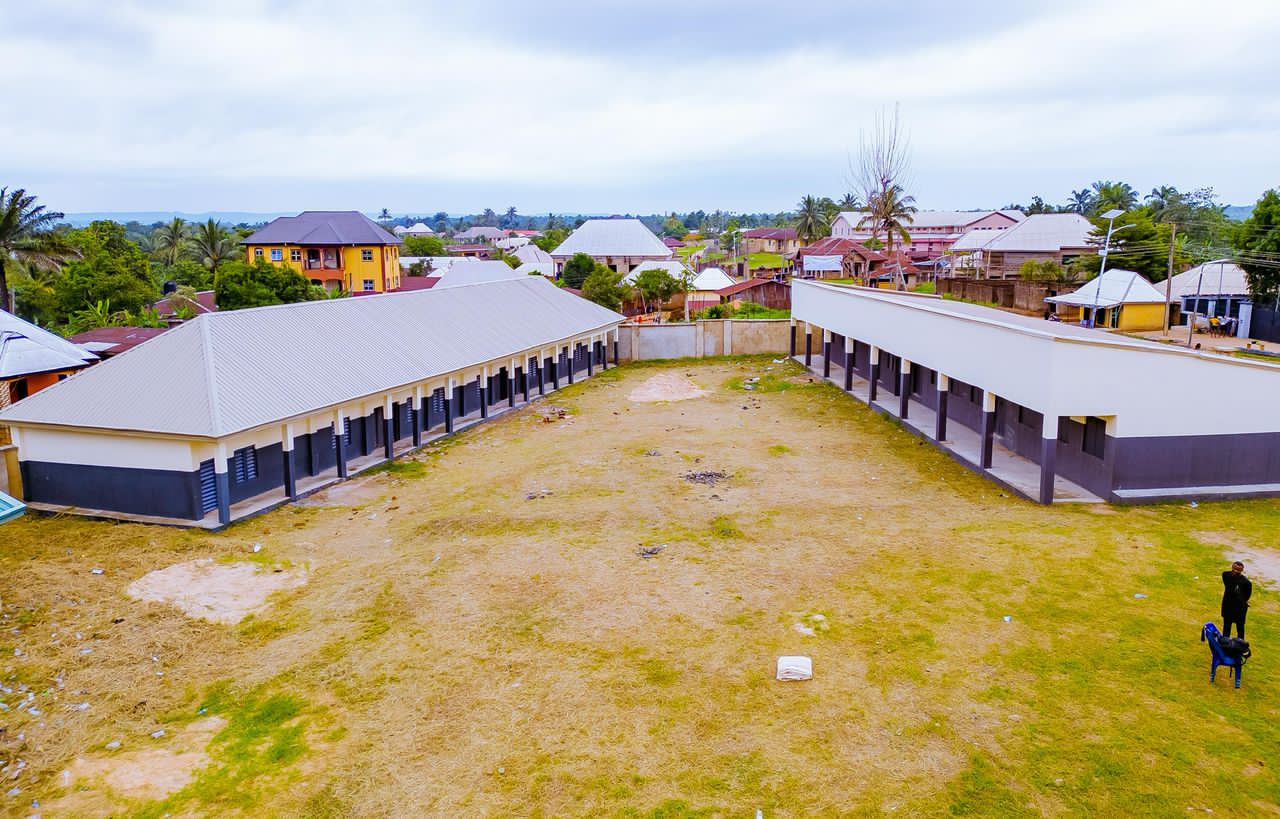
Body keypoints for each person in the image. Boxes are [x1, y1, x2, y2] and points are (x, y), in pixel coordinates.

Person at [1222, 561, 1253, 638]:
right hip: (1229, 605)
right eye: (1235, 569)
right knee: (1228, 625)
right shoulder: (1226, 575)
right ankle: (1227, 641)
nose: (1236, 571)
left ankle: (1239, 642)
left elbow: (1247, 595)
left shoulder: (1246, 582)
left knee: (1239, 626)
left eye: (1237, 570)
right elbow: (1247, 595)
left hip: (1238, 607)